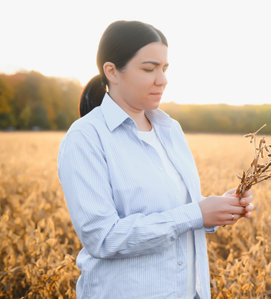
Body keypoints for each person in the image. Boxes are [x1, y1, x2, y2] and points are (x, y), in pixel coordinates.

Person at [57, 20, 254, 299]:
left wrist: (218, 209)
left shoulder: (169, 129)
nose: (161, 79)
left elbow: (181, 211)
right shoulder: (86, 138)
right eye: (149, 69)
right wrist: (197, 213)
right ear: (112, 71)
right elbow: (102, 238)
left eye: (164, 68)